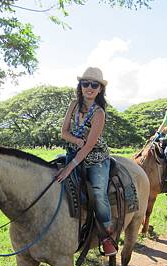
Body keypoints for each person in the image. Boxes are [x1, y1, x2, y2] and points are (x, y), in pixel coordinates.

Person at [56, 66, 116, 256]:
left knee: (98, 193)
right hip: (73, 152)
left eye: (94, 84)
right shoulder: (73, 104)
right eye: (85, 83)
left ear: (100, 89)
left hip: (95, 158)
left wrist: (70, 167)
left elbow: (89, 146)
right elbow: (63, 132)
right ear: (80, 86)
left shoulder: (99, 113)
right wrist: (76, 141)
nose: (89, 87)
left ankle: (107, 235)